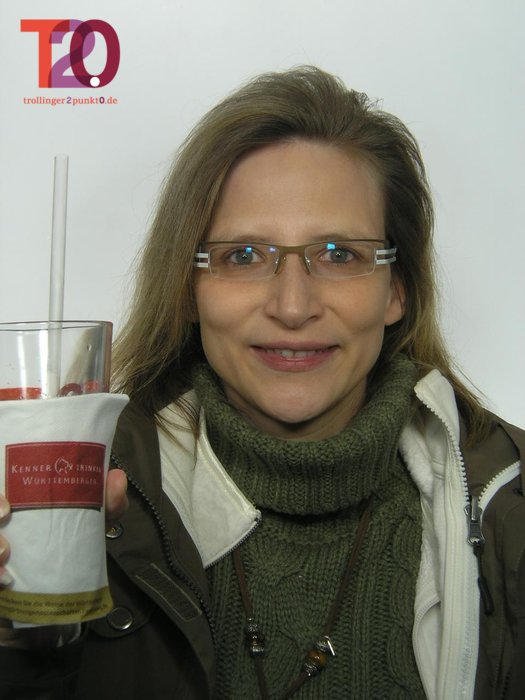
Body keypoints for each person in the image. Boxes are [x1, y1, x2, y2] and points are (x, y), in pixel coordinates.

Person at [0, 65, 523, 700]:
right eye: (243, 256)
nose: (293, 307)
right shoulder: (80, 498)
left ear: (397, 290)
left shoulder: (511, 511)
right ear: (188, 289)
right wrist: (17, 648)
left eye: (339, 254)